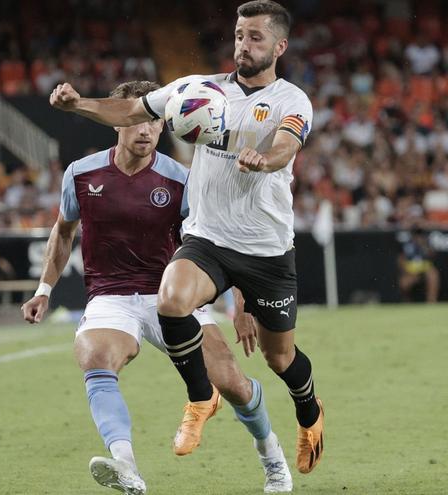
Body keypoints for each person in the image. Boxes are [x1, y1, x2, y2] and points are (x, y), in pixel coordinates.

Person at [48, 0, 324, 475]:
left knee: (281, 359)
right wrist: (81, 105)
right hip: (207, 239)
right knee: (171, 300)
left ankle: (309, 411)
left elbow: (285, 145)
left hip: (265, 251)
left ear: (279, 46)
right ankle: (200, 398)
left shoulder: (290, 100)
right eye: (239, 34)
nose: (244, 44)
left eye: (256, 37)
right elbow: (132, 108)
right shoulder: (199, 91)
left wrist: (267, 159)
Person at [23, 80, 293, 494]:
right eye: (139, 121)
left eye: (157, 121)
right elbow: (63, 232)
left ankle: (271, 455)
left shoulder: (182, 179)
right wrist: (44, 288)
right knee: (95, 357)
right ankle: (125, 466)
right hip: (110, 296)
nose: (146, 130)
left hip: (172, 298)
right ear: (119, 121)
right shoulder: (81, 174)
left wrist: (242, 302)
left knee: (232, 383)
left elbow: (220, 241)